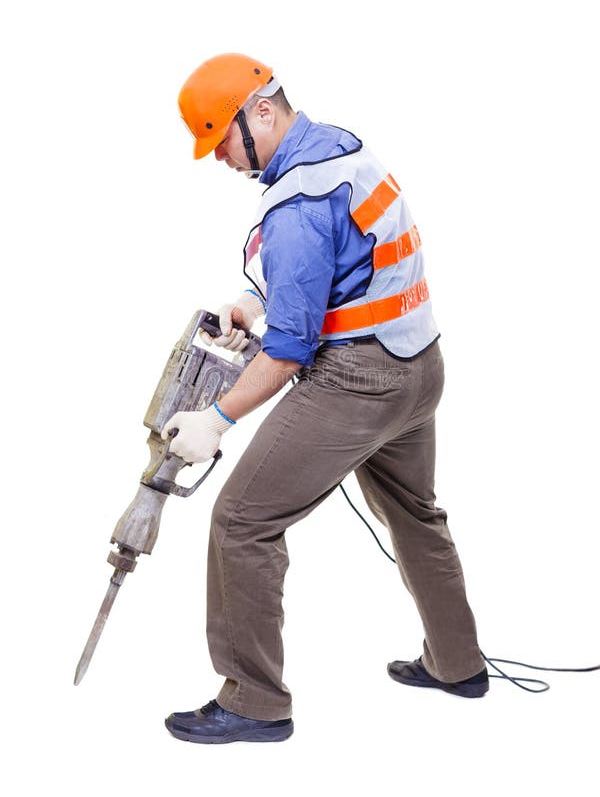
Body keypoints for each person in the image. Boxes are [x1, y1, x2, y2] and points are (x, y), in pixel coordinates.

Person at [162, 53, 488, 745]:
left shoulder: (297, 201)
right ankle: (459, 664)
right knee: (414, 513)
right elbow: (344, 268)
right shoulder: (341, 147)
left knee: (240, 523)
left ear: (263, 113)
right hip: (421, 365)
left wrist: (215, 421)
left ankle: (253, 701)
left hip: (361, 381)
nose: (219, 156)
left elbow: (289, 352)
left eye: (221, 137)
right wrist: (257, 302)